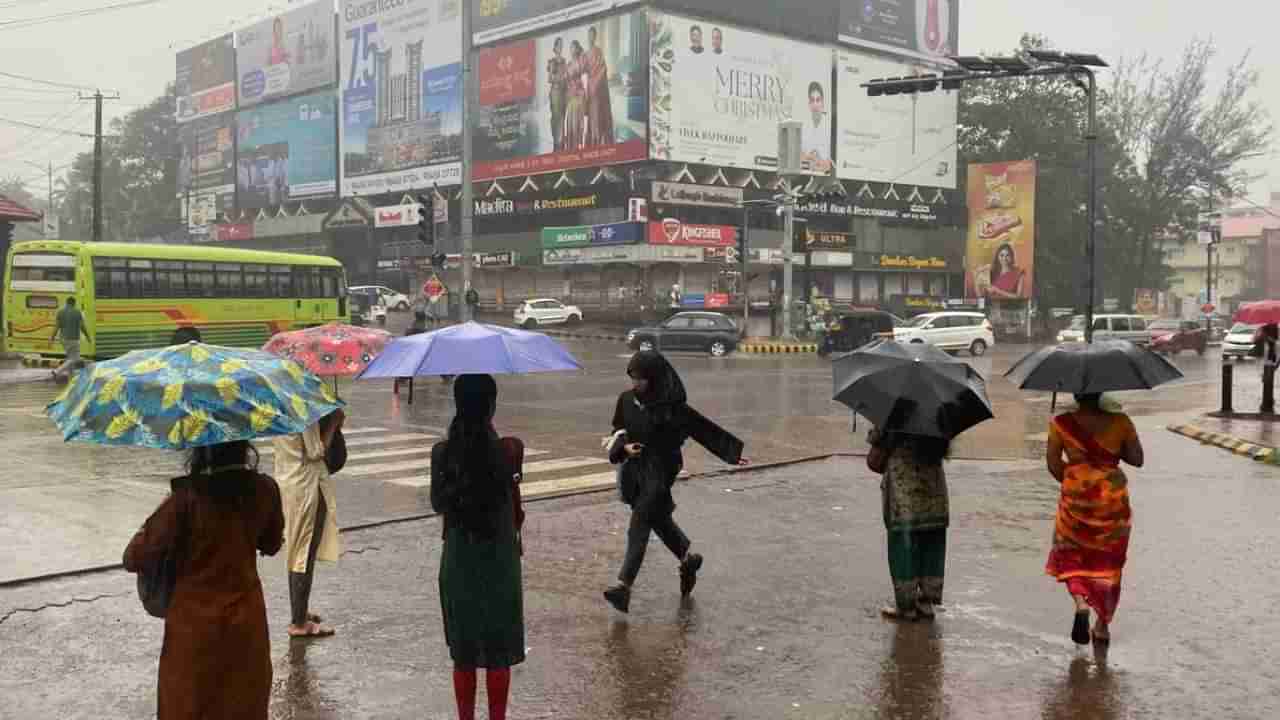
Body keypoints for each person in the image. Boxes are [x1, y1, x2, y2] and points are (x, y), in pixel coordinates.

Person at [123, 440, 285, 719]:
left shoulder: (185, 499)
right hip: (246, 622)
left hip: (194, 629)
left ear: (202, 448)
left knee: (190, 706)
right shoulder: (265, 489)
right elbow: (271, 544)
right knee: (243, 704)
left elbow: (133, 557)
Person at [603, 351, 746, 613]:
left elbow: (703, 430)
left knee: (640, 521)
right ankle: (688, 560)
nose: (636, 383)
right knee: (658, 519)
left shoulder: (671, 406)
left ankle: (624, 586)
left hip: (662, 469)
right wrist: (624, 448)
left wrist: (732, 454)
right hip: (635, 471)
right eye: (633, 377)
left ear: (654, 378)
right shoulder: (626, 400)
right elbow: (618, 431)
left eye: (641, 378)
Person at [430, 374, 525, 720]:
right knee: (499, 654)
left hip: (459, 558)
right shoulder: (510, 450)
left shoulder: (442, 453)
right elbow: (515, 511)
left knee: (464, 654)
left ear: (457, 403)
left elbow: (438, 503)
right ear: (492, 405)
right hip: (499, 560)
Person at [1044, 393, 1144, 646]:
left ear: (1076, 394)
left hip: (1075, 500)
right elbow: (1137, 459)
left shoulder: (1060, 424)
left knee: (1071, 554)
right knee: (1110, 561)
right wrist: (1112, 452)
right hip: (1111, 502)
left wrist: (1076, 482)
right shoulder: (1121, 422)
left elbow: (1053, 463)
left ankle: (1081, 603)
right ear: (1101, 393)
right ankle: (1102, 626)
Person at [865, 408, 950, 621]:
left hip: (904, 490)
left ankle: (906, 606)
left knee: (903, 545)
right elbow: (945, 448)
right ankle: (926, 602)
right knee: (931, 543)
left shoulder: (894, 410)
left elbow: (876, 453)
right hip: (933, 489)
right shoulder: (941, 411)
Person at [272, 408, 345, 638]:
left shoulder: (280, 403)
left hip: (289, 480)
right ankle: (299, 623)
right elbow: (315, 451)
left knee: (296, 550)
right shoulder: (301, 408)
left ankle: (299, 611)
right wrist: (333, 424)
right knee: (304, 553)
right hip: (307, 486)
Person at [585, 26, 615, 147]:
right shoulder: (586, 53)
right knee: (591, 114)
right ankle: (592, 140)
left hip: (597, 88)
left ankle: (598, 140)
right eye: (589, 35)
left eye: (592, 35)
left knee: (597, 113)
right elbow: (582, 68)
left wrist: (596, 83)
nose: (590, 37)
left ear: (595, 37)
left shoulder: (598, 51)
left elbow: (603, 68)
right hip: (590, 86)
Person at [50, 297, 89, 381]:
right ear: (74, 303)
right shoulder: (77, 312)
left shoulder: (60, 312)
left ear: (66, 302)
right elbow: (82, 327)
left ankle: (71, 377)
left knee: (70, 358)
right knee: (75, 358)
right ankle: (57, 371)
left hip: (63, 339)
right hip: (73, 339)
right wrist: (87, 336)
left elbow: (57, 326)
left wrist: (52, 337)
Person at [394, 311, 430, 396]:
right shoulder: (421, 326)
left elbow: (406, 335)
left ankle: (402, 380)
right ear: (423, 318)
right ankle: (447, 377)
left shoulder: (413, 325)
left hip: (413, 349)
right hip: (419, 350)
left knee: (412, 366)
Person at [800, 81, 832, 173]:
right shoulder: (804, 126)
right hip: (806, 172)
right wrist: (810, 157)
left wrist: (819, 160)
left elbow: (830, 162)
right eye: (812, 100)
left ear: (822, 102)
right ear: (809, 103)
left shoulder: (829, 126)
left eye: (818, 100)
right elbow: (800, 155)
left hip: (825, 174)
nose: (815, 104)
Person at [563, 41, 588, 151]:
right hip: (571, 96)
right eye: (570, 47)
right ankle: (571, 147)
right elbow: (565, 79)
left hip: (579, 95)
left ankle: (579, 145)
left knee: (578, 122)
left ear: (577, 49)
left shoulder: (581, 61)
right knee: (570, 122)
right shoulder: (568, 64)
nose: (571, 49)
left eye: (573, 47)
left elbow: (585, 77)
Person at [547, 37, 568, 151]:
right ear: (555, 47)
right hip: (555, 91)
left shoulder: (564, 61)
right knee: (556, 116)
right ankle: (556, 140)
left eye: (561, 45)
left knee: (562, 116)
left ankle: (561, 141)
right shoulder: (552, 61)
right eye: (558, 45)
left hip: (563, 91)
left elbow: (566, 76)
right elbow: (549, 79)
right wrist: (559, 78)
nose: (560, 47)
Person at [1256, 323, 1278, 414]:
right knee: (1267, 379)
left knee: (1268, 378)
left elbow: (1275, 342)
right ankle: (1268, 401)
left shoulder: (1274, 329)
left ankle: (1268, 402)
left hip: (1270, 358)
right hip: (1268, 359)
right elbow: (1257, 341)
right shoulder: (1265, 329)